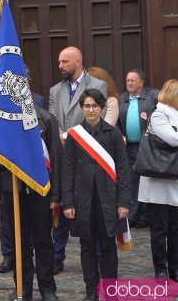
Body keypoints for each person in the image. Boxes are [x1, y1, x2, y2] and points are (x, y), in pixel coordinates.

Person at [61, 89, 130, 301]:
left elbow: (123, 169)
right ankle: (91, 291)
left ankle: (110, 291)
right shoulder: (75, 135)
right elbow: (67, 170)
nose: (90, 110)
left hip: (108, 200)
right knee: (87, 246)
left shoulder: (113, 133)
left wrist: (123, 202)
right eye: (86, 106)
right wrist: (68, 202)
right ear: (82, 108)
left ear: (101, 108)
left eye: (94, 106)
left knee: (108, 247)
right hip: (83, 201)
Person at [48, 46, 107, 275]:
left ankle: (99, 255)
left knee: (91, 205)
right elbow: (53, 118)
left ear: (78, 61)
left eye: (64, 61)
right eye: (59, 61)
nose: (60, 65)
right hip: (63, 155)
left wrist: (69, 135)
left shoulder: (97, 85)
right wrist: (60, 135)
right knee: (62, 204)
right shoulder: (55, 90)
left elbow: (93, 117)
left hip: (87, 154)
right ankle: (57, 255)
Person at [1, 104, 62, 301]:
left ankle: (47, 289)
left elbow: (56, 157)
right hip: (14, 190)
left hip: (40, 190)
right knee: (20, 241)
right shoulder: (3, 118)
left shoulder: (45, 118)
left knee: (43, 239)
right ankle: (22, 288)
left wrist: (56, 195)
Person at [137, 79, 178, 280]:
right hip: (158, 180)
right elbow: (172, 139)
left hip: (174, 179)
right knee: (159, 229)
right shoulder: (159, 114)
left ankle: (175, 268)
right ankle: (160, 268)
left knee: (176, 229)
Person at [118, 69, 159, 229]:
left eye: (132, 80)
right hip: (129, 148)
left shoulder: (153, 96)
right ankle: (133, 216)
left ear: (141, 82)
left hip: (149, 147)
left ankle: (146, 217)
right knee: (131, 181)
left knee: (148, 181)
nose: (129, 83)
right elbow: (115, 121)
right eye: (127, 80)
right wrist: (119, 134)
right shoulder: (122, 99)